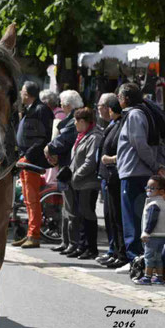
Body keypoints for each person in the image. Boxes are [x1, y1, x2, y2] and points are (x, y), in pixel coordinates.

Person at [115, 83, 165, 273]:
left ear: (125, 99)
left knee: (133, 218)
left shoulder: (135, 115)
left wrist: (155, 166)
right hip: (139, 171)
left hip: (134, 172)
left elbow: (139, 144)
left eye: (119, 97)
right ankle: (140, 257)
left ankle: (135, 258)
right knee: (138, 216)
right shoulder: (144, 112)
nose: (118, 101)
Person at [12, 81, 53, 249]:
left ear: (28, 94)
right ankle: (30, 232)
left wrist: (28, 156)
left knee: (33, 199)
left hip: (31, 161)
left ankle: (34, 234)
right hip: (25, 159)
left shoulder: (41, 110)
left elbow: (43, 137)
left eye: (22, 92)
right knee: (28, 200)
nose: (21, 94)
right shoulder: (30, 109)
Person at [45, 90, 83, 255]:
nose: (60, 105)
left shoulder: (73, 121)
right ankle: (65, 241)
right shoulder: (69, 119)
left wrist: (49, 148)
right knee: (66, 208)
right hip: (64, 166)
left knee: (71, 209)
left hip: (69, 168)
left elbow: (63, 140)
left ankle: (71, 243)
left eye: (62, 102)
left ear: (68, 105)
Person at [96, 93, 128, 268]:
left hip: (114, 175)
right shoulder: (112, 125)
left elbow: (121, 149)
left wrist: (110, 159)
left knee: (117, 216)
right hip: (107, 176)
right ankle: (114, 250)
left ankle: (121, 253)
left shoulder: (121, 124)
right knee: (109, 216)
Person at [68, 107, 102, 259]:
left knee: (87, 215)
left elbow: (90, 162)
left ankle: (91, 248)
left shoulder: (94, 137)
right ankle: (82, 246)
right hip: (78, 183)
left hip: (87, 183)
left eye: (76, 121)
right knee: (81, 216)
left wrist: (76, 175)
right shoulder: (82, 135)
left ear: (83, 121)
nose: (74, 123)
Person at [133, 175, 165, 285]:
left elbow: (151, 220)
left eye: (152, 188)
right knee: (158, 258)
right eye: (147, 187)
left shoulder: (153, 204)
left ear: (162, 191)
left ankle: (147, 277)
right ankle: (159, 277)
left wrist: (146, 232)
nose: (149, 190)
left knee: (149, 257)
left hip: (153, 235)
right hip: (163, 235)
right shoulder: (164, 203)